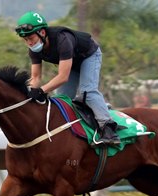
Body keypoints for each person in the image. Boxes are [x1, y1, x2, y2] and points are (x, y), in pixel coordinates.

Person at [15, 11, 120, 146]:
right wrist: (28, 94)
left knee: (87, 92)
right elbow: (35, 77)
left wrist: (41, 91)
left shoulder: (62, 39)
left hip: (89, 56)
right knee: (62, 100)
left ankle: (109, 129)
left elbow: (63, 77)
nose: (29, 43)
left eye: (31, 38)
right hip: (72, 64)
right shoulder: (34, 50)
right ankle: (95, 110)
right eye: (26, 40)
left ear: (42, 32)